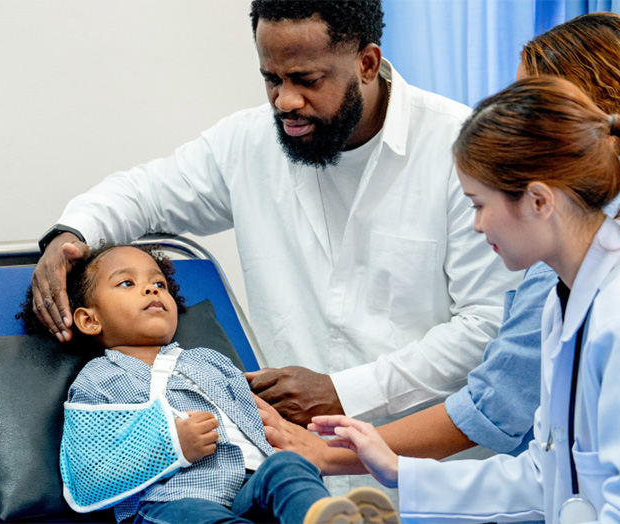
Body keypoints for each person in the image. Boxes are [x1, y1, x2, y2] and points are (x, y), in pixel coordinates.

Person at [259, 10, 620, 475]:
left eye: (479, 205)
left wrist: (335, 454)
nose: (477, 224)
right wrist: (375, 461)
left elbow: (497, 406)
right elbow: (543, 472)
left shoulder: (612, 297)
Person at [29, 1, 518, 451]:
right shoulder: (248, 143)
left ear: (367, 64)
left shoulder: (459, 151)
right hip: (292, 465)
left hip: (426, 469)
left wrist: (344, 392)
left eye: (306, 79)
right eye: (271, 79)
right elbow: (143, 193)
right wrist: (70, 235)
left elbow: (486, 326)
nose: (284, 100)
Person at [24, 242, 400, 524]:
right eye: (127, 283)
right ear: (90, 320)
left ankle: (321, 516)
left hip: (247, 491)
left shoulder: (209, 361)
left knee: (286, 468)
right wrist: (173, 445)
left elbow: (259, 422)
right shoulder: (99, 381)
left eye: (160, 283)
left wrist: (288, 446)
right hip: (169, 504)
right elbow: (88, 476)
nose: (153, 289)